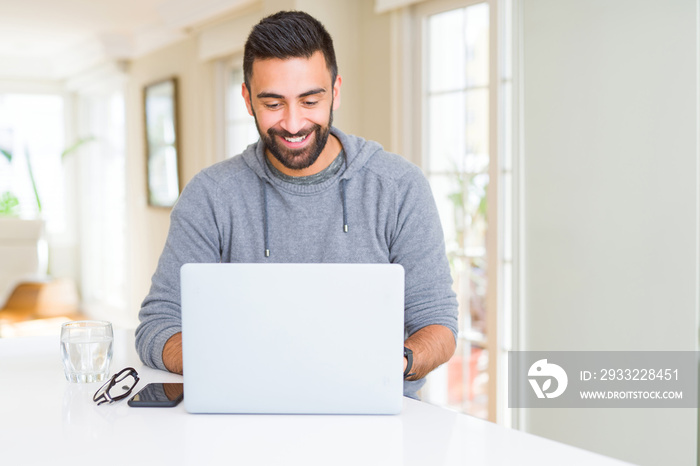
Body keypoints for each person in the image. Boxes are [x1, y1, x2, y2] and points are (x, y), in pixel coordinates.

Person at [135, 10, 458, 400]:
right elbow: (159, 324)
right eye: (273, 103)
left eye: (309, 100)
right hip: (244, 414)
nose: (292, 123)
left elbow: (438, 324)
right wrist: (241, 362)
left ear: (335, 91)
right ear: (247, 99)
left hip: (372, 418)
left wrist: (395, 362)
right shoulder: (211, 195)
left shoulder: (398, 187)